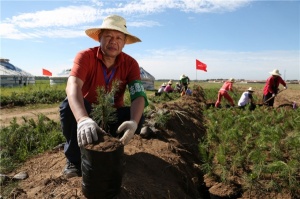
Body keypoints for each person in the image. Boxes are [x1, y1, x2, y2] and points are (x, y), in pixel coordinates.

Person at [59, 15, 148, 178]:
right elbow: (73, 85)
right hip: (89, 113)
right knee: (68, 106)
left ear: (124, 42)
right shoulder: (85, 56)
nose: (114, 41)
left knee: (137, 115)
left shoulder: (131, 64)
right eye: (108, 36)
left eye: (119, 37)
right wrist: (82, 119)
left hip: (113, 115)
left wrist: (134, 123)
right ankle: (74, 160)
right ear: (99, 38)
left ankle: (113, 150)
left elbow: (138, 96)